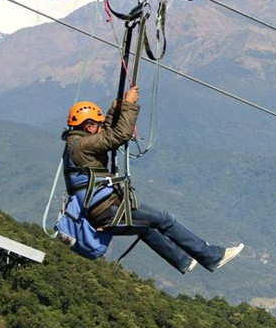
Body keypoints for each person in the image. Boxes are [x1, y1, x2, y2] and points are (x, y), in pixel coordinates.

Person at [62, 85, 244, 274]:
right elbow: (117, 136)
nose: (100, 128)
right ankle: (212, 256)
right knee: (164, 219)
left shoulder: (76, 144)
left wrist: (114, 111)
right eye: (98, 125)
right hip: (108, 209)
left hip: (102, 211)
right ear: (89, 127)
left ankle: (182, 260)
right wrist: (129, 105)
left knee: (146, 226)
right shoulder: (81, 147)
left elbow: (105, 136)